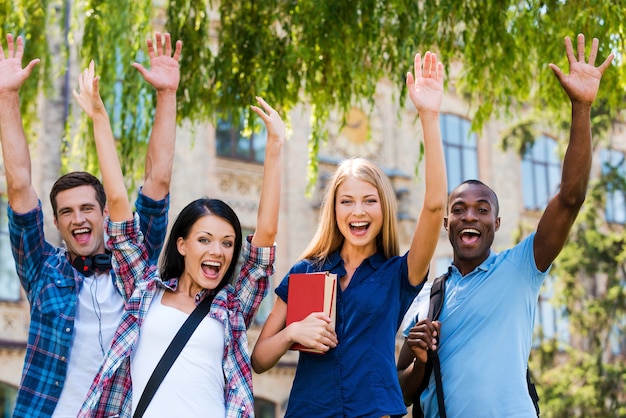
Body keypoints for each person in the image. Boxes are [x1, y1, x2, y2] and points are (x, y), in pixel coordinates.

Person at [397, 34, 614, 417]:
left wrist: (581, 108)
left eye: (482, 210)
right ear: (446, 222)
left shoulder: (520, 268)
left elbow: (570, 198)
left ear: (496, 224)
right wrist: (419, 360)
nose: (470, 216)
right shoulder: (426, 297)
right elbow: (399, 393)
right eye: (460, 208)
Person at [72, 58, 285, 417]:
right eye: (205, 239)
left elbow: (264, 235)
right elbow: (120, 204)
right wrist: (99, 119)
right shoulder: (144, 291)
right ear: (182, 245)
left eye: (228, 243)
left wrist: (276, 145)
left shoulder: (232, 307)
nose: (217, 251)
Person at [250, 51, 447, 417]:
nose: (358, 211)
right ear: (334, 210)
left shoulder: (398, 275)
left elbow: (435, 207)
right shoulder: (305, 272)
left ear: (383, 209)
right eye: (347, 202)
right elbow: (260, 359)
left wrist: (429, 117)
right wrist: (294, 333)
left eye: (369, 201)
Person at [0, 32, 181, 417]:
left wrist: (167, 95)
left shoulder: (135, 260)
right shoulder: (42, 268)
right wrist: (5, 96)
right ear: (56, 222)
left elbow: (158, 182)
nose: (78, 219)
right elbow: (17, 185)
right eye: (66, 212)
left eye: (86, 208)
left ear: (103, 213)